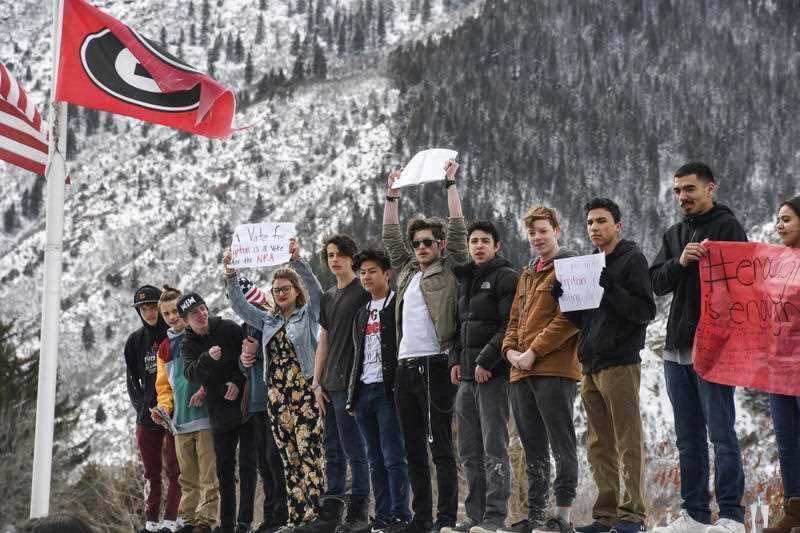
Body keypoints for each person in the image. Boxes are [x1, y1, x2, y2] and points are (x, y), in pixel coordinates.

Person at [650, 162, 747, 533]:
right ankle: (693, 515)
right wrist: (680, 261)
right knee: (687, 437)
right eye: (677, 191)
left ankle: (731, 516)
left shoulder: (728, 227)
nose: (682, 197)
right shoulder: (674, 234)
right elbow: (656, 281)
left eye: (689, 189)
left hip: (717, 347)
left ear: (710, 188)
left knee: (721, 434)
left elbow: (745, 283)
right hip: (676, 347)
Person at [551, 199, 655, 533]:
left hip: (621, 361)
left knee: (627, 440)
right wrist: (563, 300)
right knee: (599, 445)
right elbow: (585, 320)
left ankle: (633, 514)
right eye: (590, 222)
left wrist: (611, 288)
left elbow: (644, 311)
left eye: (601, 221)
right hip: (591, 362)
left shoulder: (632, 259)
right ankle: (606, 515)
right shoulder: (589, 263)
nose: (595, 227)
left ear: (617, 226)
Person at [382, 160, 469, 533]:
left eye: (427, 243)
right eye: (416, 243)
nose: (420, 247)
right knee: (413, 449)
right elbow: (389, 238)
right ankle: (421, 519)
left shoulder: (449, 268)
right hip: (405, 367)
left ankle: (447, 519)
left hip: (436, 364)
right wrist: (391, 196)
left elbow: (460, 232)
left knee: (441, 450)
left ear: (440, 246)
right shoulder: (405, 271)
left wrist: (450, 186)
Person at [223, 242, 329, 533]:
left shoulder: (307, 315)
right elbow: (240, 306)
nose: (281, 293)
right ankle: (296, 518)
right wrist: (231, 275)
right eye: (277, 289)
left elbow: (317, 291)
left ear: (296, 291)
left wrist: (298, 263)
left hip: (304, 392)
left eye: (286, 288)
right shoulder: (267, 320)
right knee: (289, 457)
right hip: (277, 396)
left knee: (309, 451)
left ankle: (318, 515)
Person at [499, 206, 580, 533]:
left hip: (555, 369)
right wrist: (510, 352)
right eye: (532, 233)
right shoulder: (528, 273)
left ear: (556, 231)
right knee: (533, 447)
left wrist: (534, 351)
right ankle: (534, 518)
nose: (537, 238)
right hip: (521, 372)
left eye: (543, 231)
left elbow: (571, 318)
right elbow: (515, 320)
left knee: (562, 444)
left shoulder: (570, 267)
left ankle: (562, 518)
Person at [443, 221, 518, 533]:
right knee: (469, 450)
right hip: (467, 378)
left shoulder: (506, 277)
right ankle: (474, 516)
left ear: (496, 245)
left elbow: (509, 325)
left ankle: (494, 516)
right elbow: (460, 328)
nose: (478, 246)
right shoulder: (466, 281)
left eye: (485, 241)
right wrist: (455, 361)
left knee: (494, 446)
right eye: (473, 241)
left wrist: (486, 361)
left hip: (493, 376)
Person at [345, 249, 412, 533]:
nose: (366, 276)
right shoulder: (361, 313)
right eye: (362, 272)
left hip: (389, 390)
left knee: (393, 455)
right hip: (363, 392)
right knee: (373, 458)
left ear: (387, 274)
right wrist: (352, 395)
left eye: (372, 271)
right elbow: (356, 355)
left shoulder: (399, 304)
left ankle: (401, 514)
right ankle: (382, 515)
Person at [180, 293, 255, 533]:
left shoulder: (228, 328)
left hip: (244, 404)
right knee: (224, 470)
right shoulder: (187, 344)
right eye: (194, 313)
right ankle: (227, 524)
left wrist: (236, 381)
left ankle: (244, 522)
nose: (201, 315)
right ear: (186, 321)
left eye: (203, 309)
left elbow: (247, 358)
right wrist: (207, 359)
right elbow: (192, 374)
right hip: (219, 411)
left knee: (248, 466)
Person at [311, 235, 371, 533]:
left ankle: (359, 512)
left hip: (353, 382)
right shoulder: (329, 296)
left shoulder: (363, 291)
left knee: (354, 448)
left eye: (340, 254)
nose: (334, 260)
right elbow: (323, 340)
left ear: (352, 257)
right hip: (329, 383)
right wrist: (316, 381)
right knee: (331, 448)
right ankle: (330, 512)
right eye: (330, 255)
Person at [152, 285, 219, 533]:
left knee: (209, 476)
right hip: (180, 423)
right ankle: (187, 520)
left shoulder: (201, 336)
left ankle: (206, 520)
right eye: (166, 314)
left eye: (175, 311)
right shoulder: (163, 349)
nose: (172, 317)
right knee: (186, 478)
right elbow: (164, 387)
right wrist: (163, 408)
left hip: (206, 418)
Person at [234, 276, 290, 533]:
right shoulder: (245, 328)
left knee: (275, 459)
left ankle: (283, 513)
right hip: (254, 403)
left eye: (249, 298)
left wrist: (258, 351)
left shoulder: (270, 321)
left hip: (274, 400)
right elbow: (244, 368)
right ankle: (270, 515)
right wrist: (244, 361)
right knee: (263, 463)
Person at [125, 284, 180, 533]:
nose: (149, 313)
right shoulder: (135, 342)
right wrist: (141, 408)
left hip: (176, 412)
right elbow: (132, 380)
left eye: (152, 307)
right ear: (139, 311)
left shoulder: (173, 336)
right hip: (147, 417)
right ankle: (151, 523)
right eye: (144, 308)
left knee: (175, 469)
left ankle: (171, 520)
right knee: (151, 473)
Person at [764, 196, 800, 533]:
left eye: (787, 219)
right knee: (787, 441)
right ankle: (794, 509)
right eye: (778, 219)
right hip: (778, 368)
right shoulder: (775, 261)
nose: (779, 225)